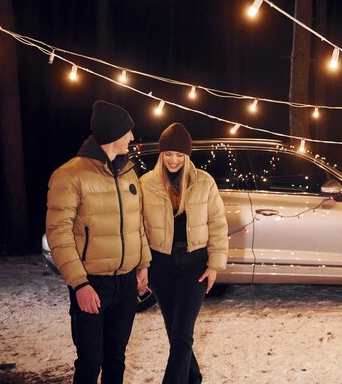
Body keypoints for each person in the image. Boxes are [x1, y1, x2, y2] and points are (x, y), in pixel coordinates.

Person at [46, 100, 152, 384]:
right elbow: (59, 234)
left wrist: (142, 265)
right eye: (128, 132)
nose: (132, 137)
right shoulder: (70, 175)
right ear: (112, 134)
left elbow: (137, 224)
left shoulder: (130, 172)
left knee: (116, 358)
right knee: (91, 361)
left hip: (127, 283)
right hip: (92, 284)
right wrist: (79, 284)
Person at [140, 123, 228, 384]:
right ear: (161, 154)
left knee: (182, 332)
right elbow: (139, 229)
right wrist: (143, 264)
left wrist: (214, 265)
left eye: (180, 155)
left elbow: (218, 224)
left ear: (187, 155)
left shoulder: (204, 182)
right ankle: (194, 377)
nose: (174, 160)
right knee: (174, 330)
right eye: (168, 154)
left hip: (195, 264)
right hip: (161, 265)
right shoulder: (146, 184)